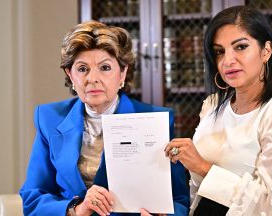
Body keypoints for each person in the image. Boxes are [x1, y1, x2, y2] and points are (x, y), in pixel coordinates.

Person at [19, 21, 189, 216]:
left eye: (105, 67)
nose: (93, 79)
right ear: (70, 75)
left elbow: (179, 201)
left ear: (122, 73)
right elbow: (33, 198)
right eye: (82, 69)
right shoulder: (49, 118)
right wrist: (75, 210)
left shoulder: (156, 119)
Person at [165, 5, 272, 216]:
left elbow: (270, 204)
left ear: (266, 51)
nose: (228, 60)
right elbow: (196, 192)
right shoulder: (213, 105)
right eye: (219, 52)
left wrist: (202, 167)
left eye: (240, 47)